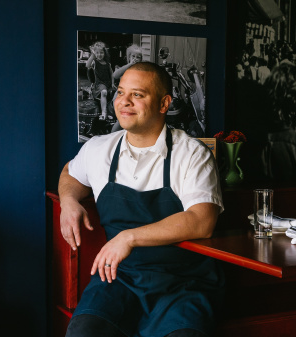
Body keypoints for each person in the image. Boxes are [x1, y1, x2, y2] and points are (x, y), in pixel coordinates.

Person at [58, 62, 224, 337]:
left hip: (181, 284)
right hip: (117, 278)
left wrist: (128, 237)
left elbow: (202, 220)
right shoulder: (99, 148)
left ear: (163, 104)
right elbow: (70, 173)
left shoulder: (192, 154)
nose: (124, 102)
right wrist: (68, 201)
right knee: (84, 332)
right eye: (121, 92)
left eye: (137, 95)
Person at [86, 42, 113, 120]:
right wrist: (93, 55)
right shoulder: (95, 62)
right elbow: (87, 65)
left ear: (104, 53)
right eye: (97, 53)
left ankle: (110, 113)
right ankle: (103, 113)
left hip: (108, 83)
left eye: (101, 52)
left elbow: (111, 74)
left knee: (113, 95)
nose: (99, 55)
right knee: (104, 92)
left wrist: (112, 83)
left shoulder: (108, 64)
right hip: (99, 84)